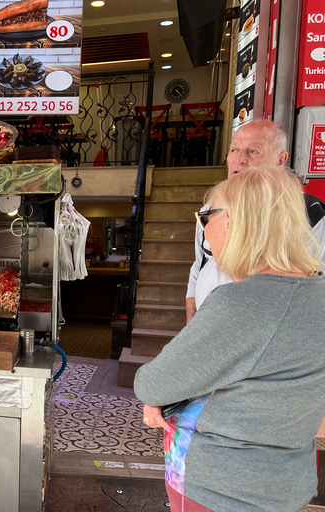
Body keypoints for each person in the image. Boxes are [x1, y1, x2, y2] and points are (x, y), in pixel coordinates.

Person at [135, 165, 325, 512]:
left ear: (238, 221)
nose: (204, 232)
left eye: (207, 217)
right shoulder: (316, 295)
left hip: (223, 489)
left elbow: (153, 382)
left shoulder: (245, 303)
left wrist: (158, 394)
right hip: (285, 483)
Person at [186, 120, 325, 322]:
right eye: (234, 150)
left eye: (253, 151)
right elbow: (198, 268)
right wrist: (192, 322)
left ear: (280, 160)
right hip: (209, 329)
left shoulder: (310, 217)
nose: (239, 160)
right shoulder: (208, 212)